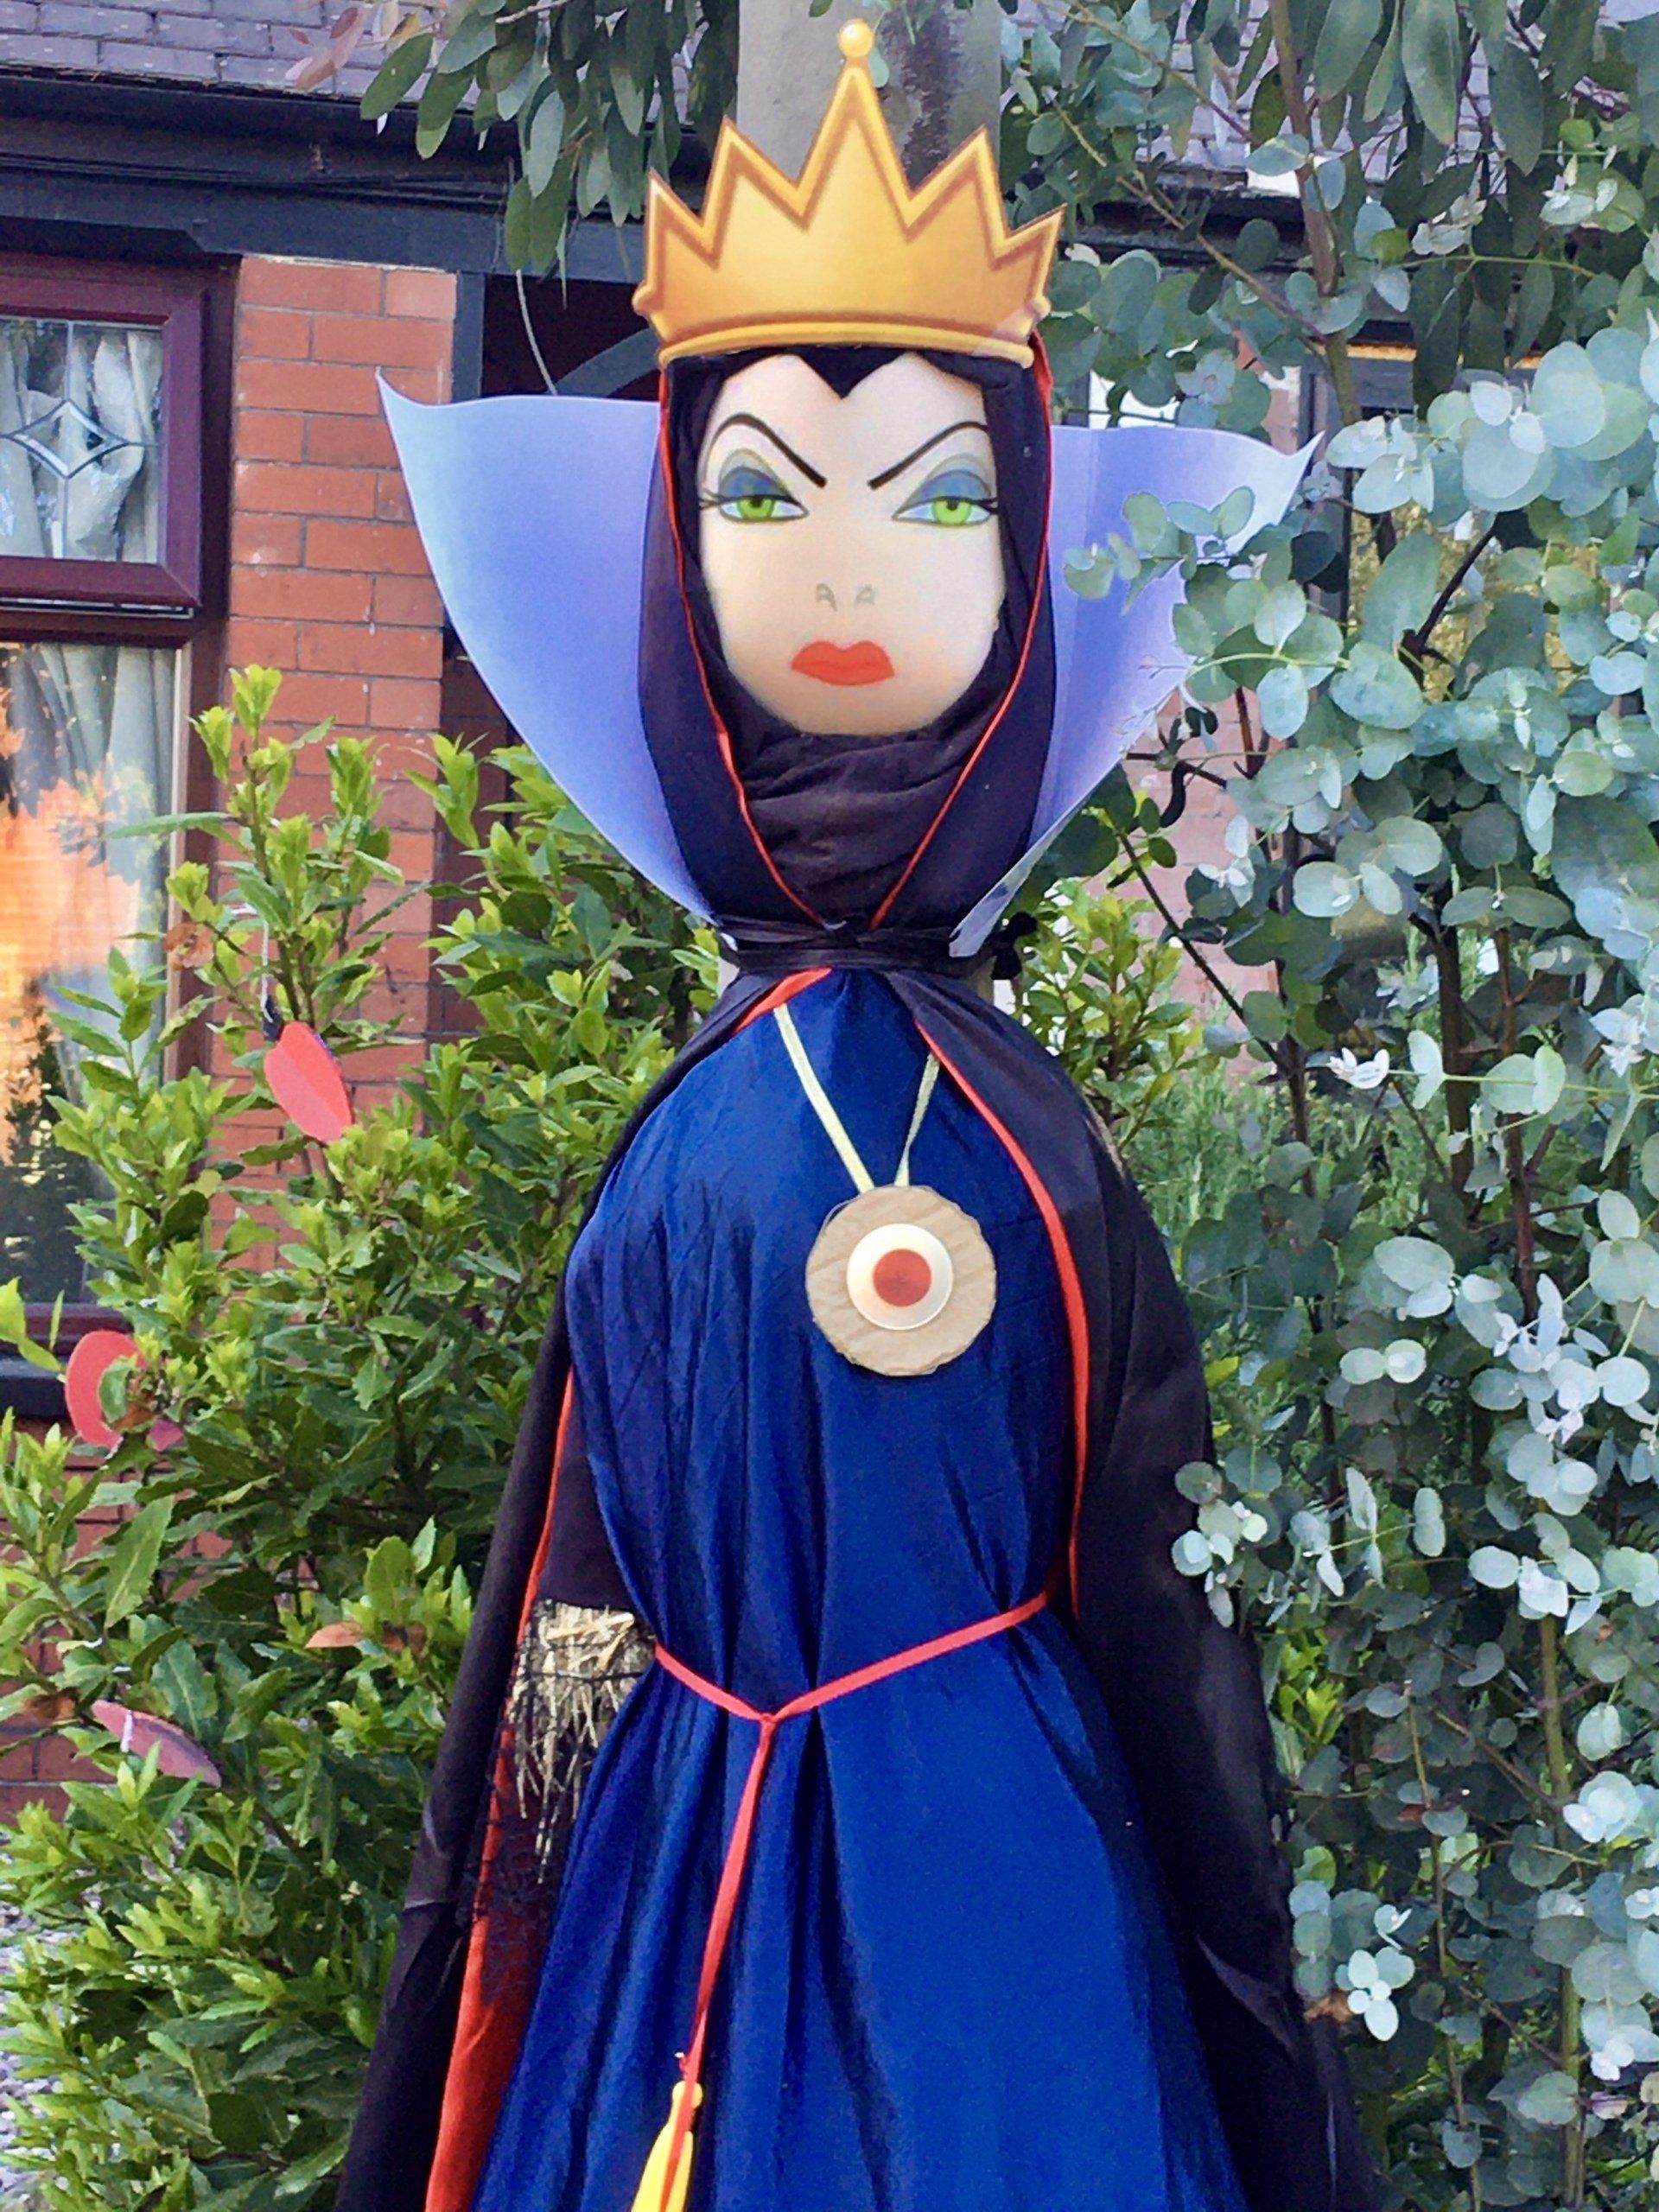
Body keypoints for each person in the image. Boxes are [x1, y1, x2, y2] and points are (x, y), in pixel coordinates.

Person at [340, 25, 1379, 2212]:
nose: (844, 568)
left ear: (1028, 560)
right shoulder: (697, 1123)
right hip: (688, 1880)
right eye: (761, 492)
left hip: (997, 1895)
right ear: (672, 555)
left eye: (933, 494)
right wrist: (528, 1892)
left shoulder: (1024, 1132)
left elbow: (1156, 1606)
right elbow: (577, 1589)